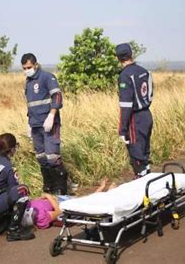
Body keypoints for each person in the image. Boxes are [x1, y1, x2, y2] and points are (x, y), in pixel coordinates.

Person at [21, 53, 68, 195]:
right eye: (24, 68)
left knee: (52, 157)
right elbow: (30, 105)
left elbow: (57, 96)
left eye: (29, 67)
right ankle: (49, 187)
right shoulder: (28, 82)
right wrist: (29, 123)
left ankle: (62, 189)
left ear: (35, 64)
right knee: (41, 158)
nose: (27, 70)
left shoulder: (47, 77)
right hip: (35, 125)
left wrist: (52, 115)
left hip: (49, 123)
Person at [116, 43, 154, 178]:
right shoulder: (144, 71)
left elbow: (125, 105)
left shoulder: (125, 75)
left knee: (136, 152)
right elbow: (150, 94)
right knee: (145, 150)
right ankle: (146, 174)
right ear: (131, 54)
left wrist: (122, 129)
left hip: (135, 118)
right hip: (147, 114)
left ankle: (142, 179)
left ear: (118, 58)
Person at [21, 178, 116, 230]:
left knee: (85, 199)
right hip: (62, 204)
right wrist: (48, 196)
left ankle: (103, 191)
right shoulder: (41, 219)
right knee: (87, 202)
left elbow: (37, 199)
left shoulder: (27, 205)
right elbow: (59, 211)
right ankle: (107, 192)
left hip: (57, 199)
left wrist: (45, 197)